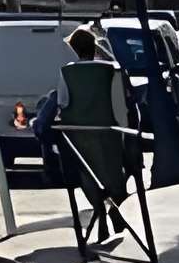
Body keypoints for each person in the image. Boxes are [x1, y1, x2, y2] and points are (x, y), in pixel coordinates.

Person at [52, 24, 136, 235]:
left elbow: (63, 101)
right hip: (108, 130)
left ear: (74, 49)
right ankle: (117, 211)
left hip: (80, 133)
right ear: (94, 48)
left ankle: (101, 218)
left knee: (89, 176)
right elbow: (120, 101)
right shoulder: (109, 70)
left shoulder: (67, 73)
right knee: (113, 171)